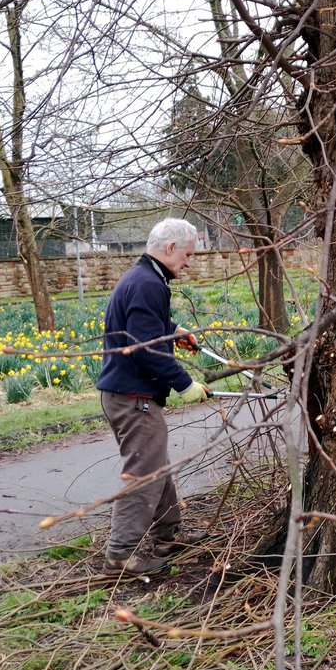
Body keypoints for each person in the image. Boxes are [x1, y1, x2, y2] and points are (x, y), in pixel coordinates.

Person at [96, 217, 212, 576]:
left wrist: (173, 330)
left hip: (127, 393)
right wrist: (184, 383)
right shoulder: (149, 283)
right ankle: (120, 554)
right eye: (188, 254)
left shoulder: (145, 277)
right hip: (133, 397)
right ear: (171, 248)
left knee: (156, 465)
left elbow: (142, 327)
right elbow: (144, 348)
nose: (189, 262)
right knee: (144, 473)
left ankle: (167, 535)